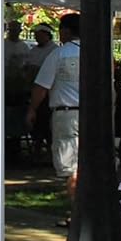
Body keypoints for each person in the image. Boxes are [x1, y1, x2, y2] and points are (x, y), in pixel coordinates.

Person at [28, 12, 81, 202]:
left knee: (71, 168)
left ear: (65, 31)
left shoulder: (59, 54)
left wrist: (32, 109)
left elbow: (41, 87)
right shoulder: (96, 54)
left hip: (66, 115)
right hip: (92, 116)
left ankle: (76, 212)